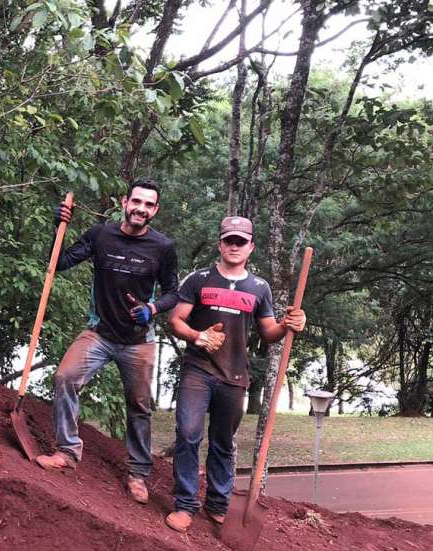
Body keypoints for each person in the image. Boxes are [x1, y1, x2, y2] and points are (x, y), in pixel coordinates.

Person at [35, 179, 179, 506]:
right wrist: (58, 227)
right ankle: (67, 452)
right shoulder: (101, 235)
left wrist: (152, 309)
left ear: (155, 210)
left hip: (139, 340)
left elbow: (174, 292)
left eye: (149, 205)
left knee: (140, 405)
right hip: (99, 333)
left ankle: (138, 473)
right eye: (136, 201)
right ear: (125, 202)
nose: (141, 209)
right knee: (65, 377)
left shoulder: (162, 247)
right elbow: (58, 262)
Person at [165, 216, 306, 532]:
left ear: (251, 247)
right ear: (220, 244)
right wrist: (198, 336)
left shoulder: (259, 288)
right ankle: (185, 505)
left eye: (241, 241)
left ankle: (217, 504)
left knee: (222, 442)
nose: (234, 246)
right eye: (229, 240)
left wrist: (289, 324)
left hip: (234, 376)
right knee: (188, 433)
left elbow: (269, 332)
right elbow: (175, 320)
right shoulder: (199, 279)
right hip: (198, 371)